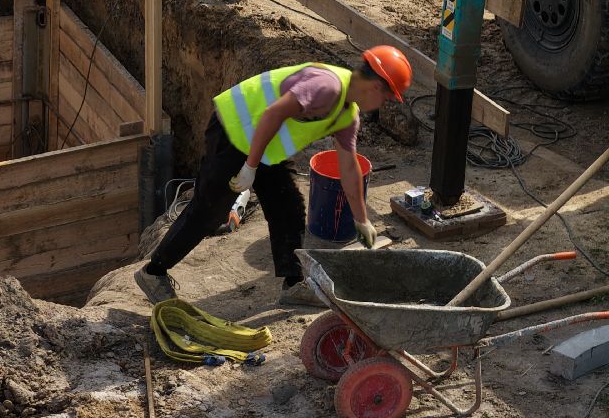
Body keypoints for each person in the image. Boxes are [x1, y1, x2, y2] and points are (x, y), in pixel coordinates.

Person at [134, 46, 412, 307]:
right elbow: (273, 113)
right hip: (235, 130)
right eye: (387, 98)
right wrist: (249, 167)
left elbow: (349, 168)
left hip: (263, 145)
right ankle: (153, 272)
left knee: (287, 207)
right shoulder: (326, 87)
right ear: (376, 86)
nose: (382, 104)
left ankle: (293, 284)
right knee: (210, 209)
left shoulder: (347, 115)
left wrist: (361, 220)